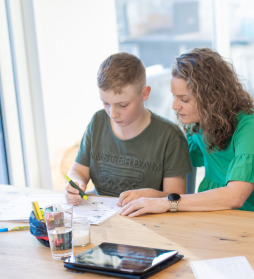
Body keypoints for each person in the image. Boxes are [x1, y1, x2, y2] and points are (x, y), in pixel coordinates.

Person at [118, 48, 254, 216]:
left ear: (211, 98)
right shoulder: (198, 127)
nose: (175, 106)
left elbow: (234, 196)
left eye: (184, 99)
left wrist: (168, 202)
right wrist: (154, 195)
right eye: (174, 97)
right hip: (229, 225)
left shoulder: (252, 129)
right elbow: (171, 164)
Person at [65, 53, 192, 206]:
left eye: (122, 105)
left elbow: (177, 198)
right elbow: (78, 171)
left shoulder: (170, 137)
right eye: (106, 103)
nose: (112, 114)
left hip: (149, 224)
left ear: (145, 94)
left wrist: (151, 196)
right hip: (102, 219)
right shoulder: (98, 122)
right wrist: (75, 184)